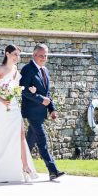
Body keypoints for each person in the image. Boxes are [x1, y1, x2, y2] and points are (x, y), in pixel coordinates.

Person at [0, 45, 37, 183]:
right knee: (3, 138)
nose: (17, 57)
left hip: (14, 105)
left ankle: (25, 166)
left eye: (18, 55)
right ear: (7, 54)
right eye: (15, 54)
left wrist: (27, 90)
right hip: (2, 107)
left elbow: (14, 87)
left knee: (21, 134)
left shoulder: (14, 69)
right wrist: (2, 99)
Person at [20, 43, 65, 180]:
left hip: (41, 113)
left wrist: (52, 109)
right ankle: (53, 170)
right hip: (32, 112)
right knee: (42, 139)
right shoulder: (27, 69)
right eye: (41, 55)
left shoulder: (45, 70)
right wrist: (40, 99)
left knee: (29, 143)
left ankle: (18, 164)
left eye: (45, 55)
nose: (44, 58)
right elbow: (23, 90)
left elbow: (48, 93)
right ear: (34, 55)